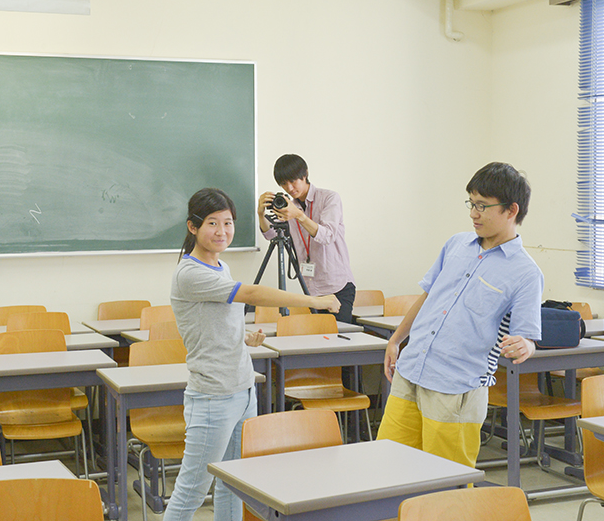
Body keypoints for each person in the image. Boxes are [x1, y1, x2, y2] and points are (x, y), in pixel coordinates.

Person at [165, 187, 340, 521]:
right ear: (193, 227)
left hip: (243, 388)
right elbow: (252, 293)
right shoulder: (190, 273)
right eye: (212, 224)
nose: (222, 232)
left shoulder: (220, 266)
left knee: (235, 485)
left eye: (228, 223)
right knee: (193, 489)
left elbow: (211, 322)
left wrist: (244, 337)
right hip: (213, 396)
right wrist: (314, 301)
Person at [376, 162, 543, 468]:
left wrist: (525, 345)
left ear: (511, 210)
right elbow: (428, 297)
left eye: (482, 206)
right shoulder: (456, 245)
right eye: (471, 203)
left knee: (445, 483)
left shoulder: (526, 273)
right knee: (389, 467)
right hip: (411, 370)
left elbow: (528, 336)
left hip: (457, 388)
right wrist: (396, 340)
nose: (473, 213)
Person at [257, 154, 357, 323]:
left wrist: (299, 216)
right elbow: (272, 235)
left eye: (293, 181)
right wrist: (260, 214)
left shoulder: (329, 198)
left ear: (305, 175)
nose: (289, 187)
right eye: (283, 184)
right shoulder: (290, 205)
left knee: (337, 341)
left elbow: (328, 235)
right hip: (312, 288)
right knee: (318, 342)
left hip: (337, 285)